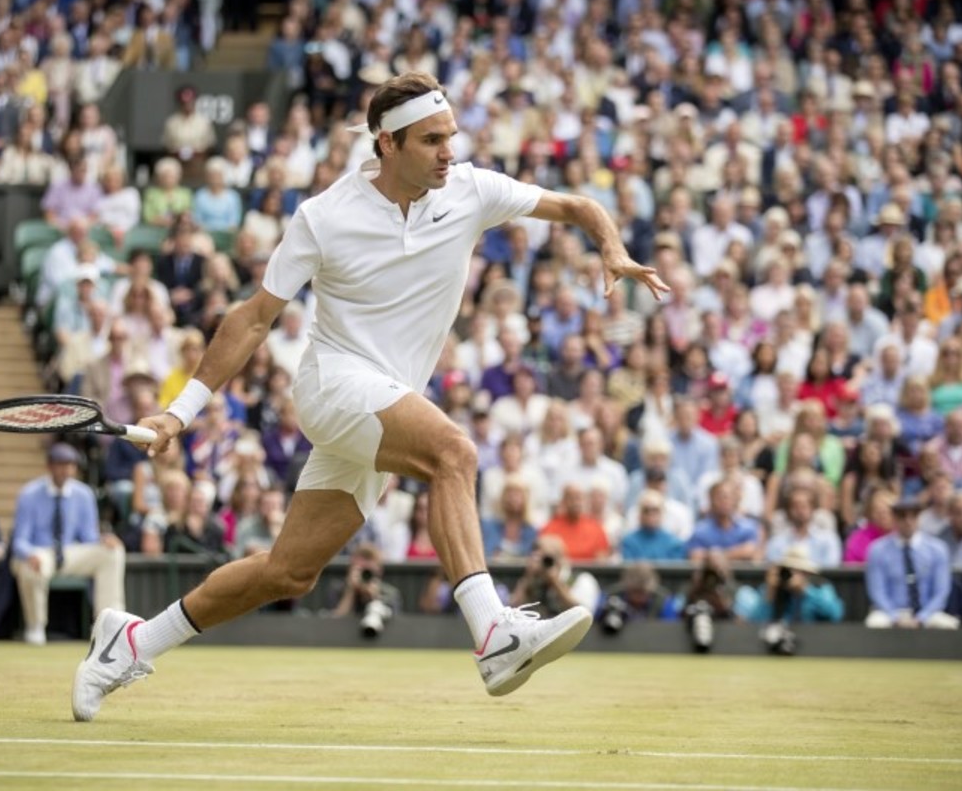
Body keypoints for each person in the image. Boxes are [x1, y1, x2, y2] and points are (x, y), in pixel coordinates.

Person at [70, 71, 668, 720]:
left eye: (450, 137)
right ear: (388, 143)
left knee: (288, 572)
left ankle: (131, 642)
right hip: (333, 383)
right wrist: (179, 412)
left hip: (384, 401)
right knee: (454, 453)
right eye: (431, 140)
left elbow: (578, 207)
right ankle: (493, 633)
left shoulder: (471, 189)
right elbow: (253, 319)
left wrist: (611, 249)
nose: (448, 152)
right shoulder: (324, 216)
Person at [11, 443, 127, 646]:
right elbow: (19, 540)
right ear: (49, 466)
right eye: (61, 464)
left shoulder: (84, 494)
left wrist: (103, 539)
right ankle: (36, 626)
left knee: (113, 552)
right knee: (31, 566)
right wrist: (30, 554)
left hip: (69, 552)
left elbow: (88, 537)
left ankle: (109, 625)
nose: (66, 470)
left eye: (70, 465)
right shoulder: (29, 494)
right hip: (40, 552)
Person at [864, 497, 959, 630]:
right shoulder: (877, 550)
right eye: (902, 516)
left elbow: (941, 592)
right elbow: (877, 592)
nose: (908, 521)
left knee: (949, 625)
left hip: (927, 612)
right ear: (895, 518)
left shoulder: (938, 549)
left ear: (919, 518)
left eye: (913, 515)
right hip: (890, 611)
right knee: (875, 623)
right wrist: (895, 617)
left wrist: (922, 618)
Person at [736, 545, 845, 655]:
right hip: (778, 647)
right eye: (788, 570)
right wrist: (770, 595)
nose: (791, 575)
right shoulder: (773, 589)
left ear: (806, 573)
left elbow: (835, 615)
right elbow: (755, 624)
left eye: (797, 571)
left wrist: (805, 591)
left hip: (816, 647)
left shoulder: (820, 587)